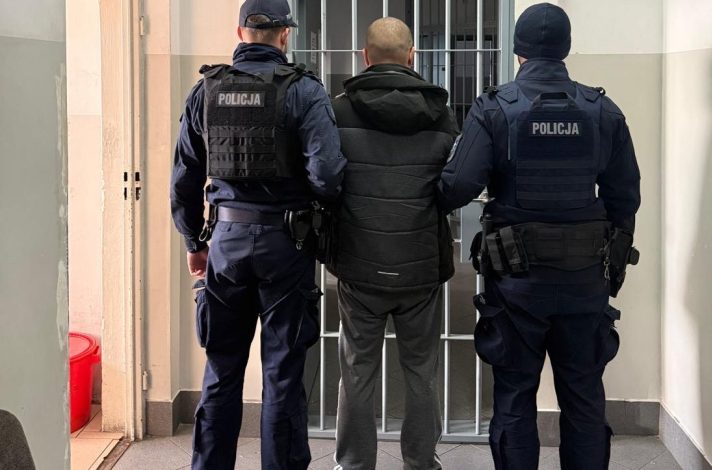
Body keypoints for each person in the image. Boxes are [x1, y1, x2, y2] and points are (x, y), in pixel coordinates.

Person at [437, 3, 641, 469]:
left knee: (514, 397)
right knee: (584, 397)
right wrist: (610, 263)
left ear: (519, 51)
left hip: (516, 283)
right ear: (565, 48)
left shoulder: (494, 108)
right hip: (584, 280)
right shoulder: (602, 110)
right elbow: (625, 197)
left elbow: (457, 187)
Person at [169, 0, 346, 468]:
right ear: (285, 35)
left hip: (225, 243)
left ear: (240, 33)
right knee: (282, 375)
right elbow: (328, 175)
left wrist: (194, 243)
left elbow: (183, 180)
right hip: (287, 244)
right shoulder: (304, 90)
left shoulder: (205, 91)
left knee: (221, 370)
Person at [327, 17, 458, 470]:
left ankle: (354, 464)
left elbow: (325, 179)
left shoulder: (338, 111)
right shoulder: (441, 113)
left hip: (359, 264)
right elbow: (452, 184)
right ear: (411, 56)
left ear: (365, 57)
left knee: (356, 370)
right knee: (421, 371)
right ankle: (420, 463)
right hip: (420, 265)